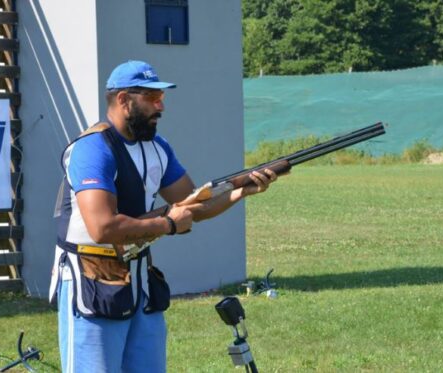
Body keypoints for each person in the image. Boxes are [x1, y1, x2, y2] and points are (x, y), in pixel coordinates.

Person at [48, 60, 277, 372]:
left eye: (162, 98)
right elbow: (102, 227)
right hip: (91, 281)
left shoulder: (158, 148)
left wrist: (242, 191)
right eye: (152, 99)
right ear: (123, 100)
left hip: (140, 283)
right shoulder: (92, 149)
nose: (161, 107)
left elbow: (195, 204)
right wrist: (167, 224)